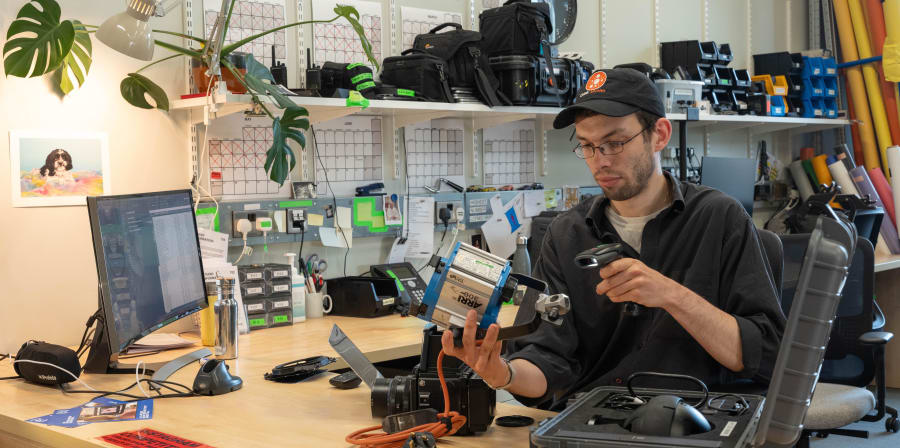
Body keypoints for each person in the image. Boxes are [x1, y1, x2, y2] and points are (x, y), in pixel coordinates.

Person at [441, 68, 786, 410]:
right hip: (594, 420)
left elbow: (766, 354)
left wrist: (670, 295)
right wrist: (502, 374)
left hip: (696, 419)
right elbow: (549, 361)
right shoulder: (566, 234)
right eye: (588, 146)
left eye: (615, 143)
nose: (600, 161)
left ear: (660, 135)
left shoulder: (719, 218)